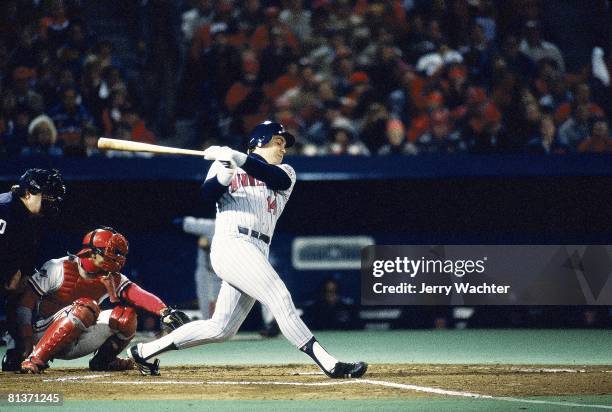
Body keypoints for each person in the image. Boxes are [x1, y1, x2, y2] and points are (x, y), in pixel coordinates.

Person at [129, 120, 367, 379]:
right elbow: (207, 195)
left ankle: (143, 350)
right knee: (280, 297)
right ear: (260, 142)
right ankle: (329, 363)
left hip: (256, 249)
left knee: (221, 329)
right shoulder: (223, 164)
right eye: (278, 142)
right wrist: (225, 171)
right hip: (232, 244)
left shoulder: (285, 171)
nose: (283, 148)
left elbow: (270, 176)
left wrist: (237, 157)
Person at [17, 227, 189, 373]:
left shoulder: (110, 276)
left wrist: (164, 311)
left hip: (78, 334)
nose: (117, 259)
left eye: (119, 254)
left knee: (125, 316)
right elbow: (25, 304)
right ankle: (36, 359)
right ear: (91, 252)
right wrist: (25, 338)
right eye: (111, 253)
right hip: (41, 334)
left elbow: (136, 293)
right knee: (86, 307)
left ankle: (104, 361)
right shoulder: (58, 267)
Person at [0, 169, 66, 371]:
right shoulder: (4, 208)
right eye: (46, 198)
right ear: (28, 193)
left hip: (7, 266)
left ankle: (18, 349)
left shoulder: (33, 216)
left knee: (28, 289)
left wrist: (21, 274)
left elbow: (27, 256)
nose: (51, 203)